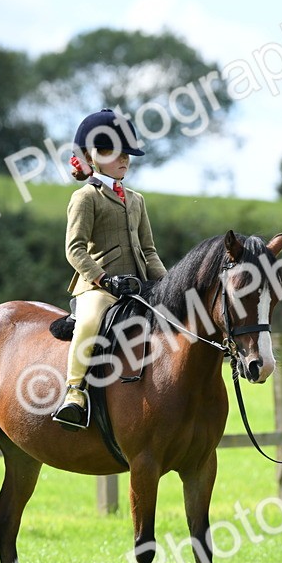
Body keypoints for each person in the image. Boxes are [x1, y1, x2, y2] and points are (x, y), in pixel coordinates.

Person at [53, 108, 168, 430]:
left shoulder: (137, 200)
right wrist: (104, 279)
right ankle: (75, 391)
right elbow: (74, 249)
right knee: (90, 322)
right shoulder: (85, 197)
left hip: (138, 285)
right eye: (114, 153)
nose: (124, 160)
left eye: (127, 154)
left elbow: (148, 250)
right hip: (98, 286)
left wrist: (170, 284)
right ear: (91, 156)